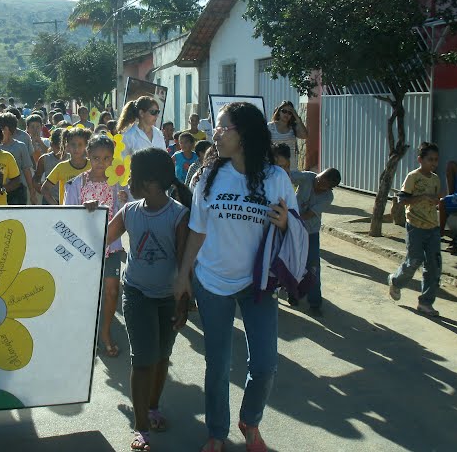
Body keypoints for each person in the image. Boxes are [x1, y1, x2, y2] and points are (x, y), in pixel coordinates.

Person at [174, 102, 297, 452]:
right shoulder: (208, 176)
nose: (216, 132)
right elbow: (196, 231)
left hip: (258, 284)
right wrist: (183, 276)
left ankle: (250, 421)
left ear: (243, 134)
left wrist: (287, 222)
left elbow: (298, 226)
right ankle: (216, 432)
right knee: (218, 365)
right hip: (212, 281)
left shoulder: (275, 179)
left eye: (223, 127)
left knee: (265, 364)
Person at [100, 147, 191, 452]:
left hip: (168, 298)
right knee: (143, 361)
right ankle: (141, 428)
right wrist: (90, 213)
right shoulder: (129, 212)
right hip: (136, 295)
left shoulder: (179, 215)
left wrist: (183, 303)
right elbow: (101, 238)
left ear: (150, 181)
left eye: (134, 176)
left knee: (162, 358)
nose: (129, 181)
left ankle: (153, 408)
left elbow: (183, 264)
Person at [65, 135, 128, 358]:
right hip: (84, 249)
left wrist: (123, 199)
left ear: (113, 159)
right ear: (87, 156)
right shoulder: (76, 184)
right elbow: (66, 218)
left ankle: (105, 332)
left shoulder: (117, 183)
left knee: (111, 291)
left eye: (106, 158)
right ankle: (85, 334)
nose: (101, 163)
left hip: (110, 247)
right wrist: (84, 209)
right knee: (87, 294)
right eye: (96, 158)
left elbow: (128, 214)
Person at [388, 142, 442, 317]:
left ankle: (426, 303)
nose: (433, 163)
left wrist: (437, 201)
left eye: (436, 160)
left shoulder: (435, 179)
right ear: (420, 159)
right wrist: (422, 197)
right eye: (430, 159)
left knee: (434, 266)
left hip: (433, 227)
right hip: (416, 227)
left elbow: (436, 200)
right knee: (414, 261)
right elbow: (403, 199)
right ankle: (396, 281)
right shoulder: (413, 177)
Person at [289, 168, 342, 314]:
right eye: (318, 178)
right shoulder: (307, 177)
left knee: (312, 267)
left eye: (322, 183)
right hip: (290, 229)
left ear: (329, 187)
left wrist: (288, 219)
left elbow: (308, 215)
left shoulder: (327, 197)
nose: (317, 183)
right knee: (290, 263)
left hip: (310, 232)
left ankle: (315, 303)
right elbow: (286, 176)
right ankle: (293, 293)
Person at [42, 127, 92, 205]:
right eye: (73, 144)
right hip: (68, 212)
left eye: (80, 144)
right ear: (67, 146)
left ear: (86, 145)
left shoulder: (92, 166)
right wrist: (57, 207)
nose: (76, 148)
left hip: (88, 212)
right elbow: (45, 188)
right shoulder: (61, 167)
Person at [0, 112, 36, 205]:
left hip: (18, 189)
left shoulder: (20, 147)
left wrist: (31, 191)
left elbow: (26, 169)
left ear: (7, 130)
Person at [267, 101, 308, 171]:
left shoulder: (293, 128)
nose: (286, 114)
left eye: (290, 113)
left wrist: (297, 118)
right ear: (279, 112)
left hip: (291, 167)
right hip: (274, 166)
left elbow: (304, 135)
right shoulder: (269, 127)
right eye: (284, 111)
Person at [34, 127, 66, 205]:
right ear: (51, 145)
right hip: (49, 201)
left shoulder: (73, 159)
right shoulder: (44, 159)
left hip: (68, 200)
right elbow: (35, 180)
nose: (61, 151)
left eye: (64, 148)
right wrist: (44, 192)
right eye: (58, 148)